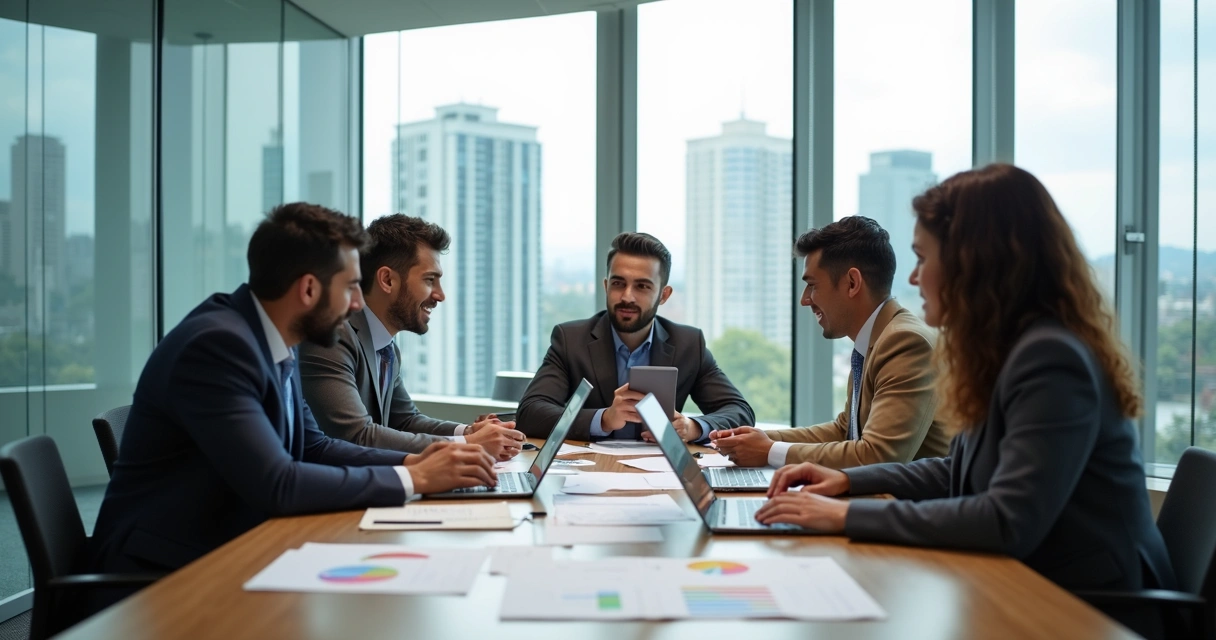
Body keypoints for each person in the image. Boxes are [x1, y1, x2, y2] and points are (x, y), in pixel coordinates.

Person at [755, 165, 1175, 601]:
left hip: (1093, 602)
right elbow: (958, 468)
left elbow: (1005, 519)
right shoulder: (1004, 349)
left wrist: (846, 517)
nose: (914, 278)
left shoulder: (1051, 358)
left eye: (922, 258)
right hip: (1031, 581)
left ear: (973, 261)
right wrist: (847, 483)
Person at [87, 203, 496, 596]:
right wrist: (414, 479)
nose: (358, 303)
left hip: (232, 546)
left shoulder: (268, 341)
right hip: (163, 574)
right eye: (352, 287)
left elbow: (314, 446)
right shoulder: (217, 347)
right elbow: (277, 483)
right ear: (309, 289)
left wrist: (415, 461)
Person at [710, 216, 949, 468]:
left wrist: (770, 451)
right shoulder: (875, 339)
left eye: (812, 285)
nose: (805, 300)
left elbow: (878, 456)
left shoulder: (904, 342)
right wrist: (759, 439)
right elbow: (845, 430)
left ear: (852, 283)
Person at [299, 214, 524, 461]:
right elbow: (356, 436)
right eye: (430, 280)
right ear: (387, 280)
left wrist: (467, 432)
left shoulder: (386, 348)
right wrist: (468, 443)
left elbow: (404, 420)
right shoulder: (333, 337)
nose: (440, 295)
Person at [517, 232, 754, 442]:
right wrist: (603, 419)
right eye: (619, 283)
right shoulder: (570, 340)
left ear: (664, 295)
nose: (627, 297)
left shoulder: (688, 344)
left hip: (662, 476)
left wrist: (692, 427)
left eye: (642, 286)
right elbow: (530, 412)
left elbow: (739, 411)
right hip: (591, 474)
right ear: (606, 286)